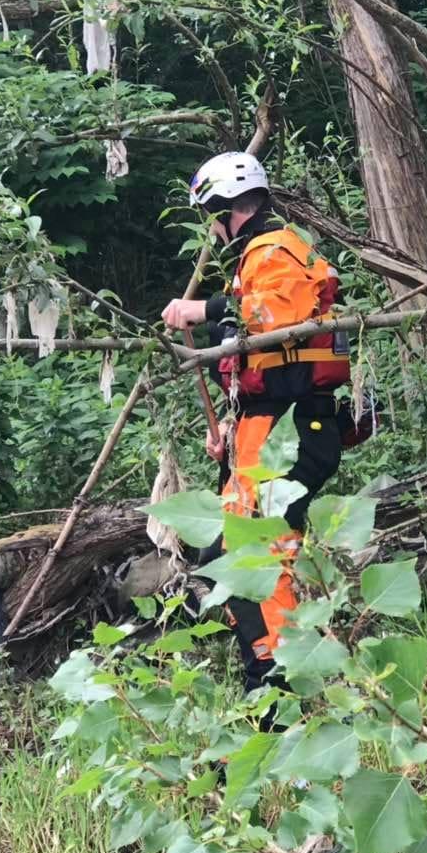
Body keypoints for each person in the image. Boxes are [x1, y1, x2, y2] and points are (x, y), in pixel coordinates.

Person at [162, 152, 349, 701]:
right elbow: (261, 361)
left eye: (211, 216)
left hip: (288, 432)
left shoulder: (274, 249)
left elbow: (275, 318)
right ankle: (267, 674)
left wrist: (200, 310)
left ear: (223, 208)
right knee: (221, 556)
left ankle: (279, 691)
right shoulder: (260, 256)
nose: (212, 231)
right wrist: (229, 424)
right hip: (264, 430)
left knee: (256, 558)